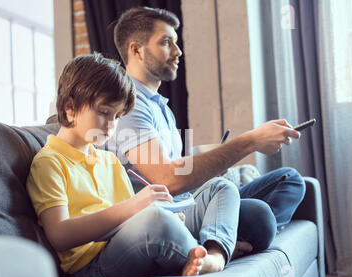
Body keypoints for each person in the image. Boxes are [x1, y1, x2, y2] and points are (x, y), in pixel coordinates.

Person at [106, 6, 306, 255]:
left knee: (289, 180)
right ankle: (218, 243)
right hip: (170, 214)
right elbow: (168, 179)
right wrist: (251, 141)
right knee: (260, 215)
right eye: (166, 42)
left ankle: (230, 238)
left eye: (176, 43)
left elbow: (178, 166)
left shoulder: (160, 106)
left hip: (190, 201)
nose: (178, 52)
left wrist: (214, 163)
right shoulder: (129, 105)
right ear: (136, 49)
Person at [26, 53, 244, 277]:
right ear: (70, 108)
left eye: (118, 115)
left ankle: (214, 256)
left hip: (131, 241)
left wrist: (154, 209)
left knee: (220, 187)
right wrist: (141, 208)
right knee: (156, 222)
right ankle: (206, 254)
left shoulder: (108, 160)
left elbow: (128, 221)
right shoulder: (49, 163)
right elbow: (60, 235)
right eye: (103, 112)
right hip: (93, 262)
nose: (112, 125)